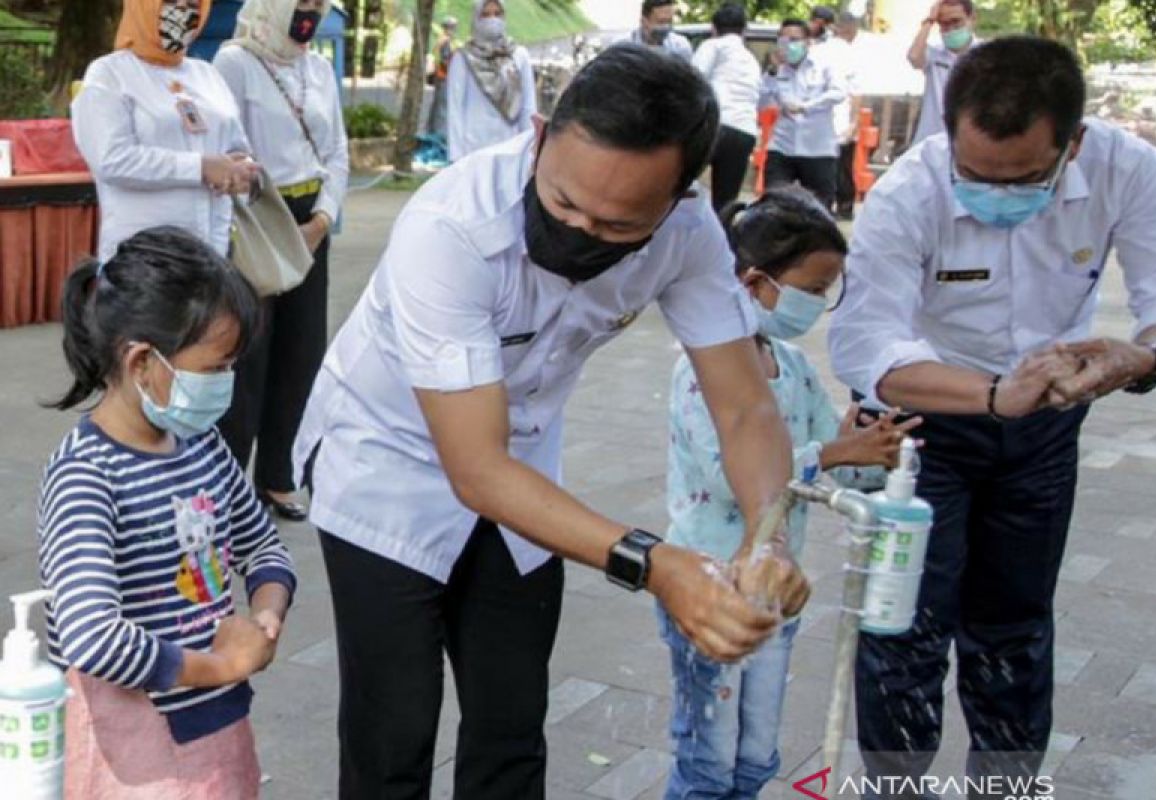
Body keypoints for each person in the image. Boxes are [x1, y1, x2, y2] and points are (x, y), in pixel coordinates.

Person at [292, 44, 808, 799]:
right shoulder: (451, 226)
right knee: (392, 731)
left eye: (617, 224)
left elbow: (743, 403)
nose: (580, 232)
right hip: (386, 464)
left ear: (677, 199)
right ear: (538, 135)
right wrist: (657, 565)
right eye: (563, 203)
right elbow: (475, 467)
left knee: (511, 722)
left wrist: (770, 533)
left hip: (523, 467)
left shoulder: (689, 235)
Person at [828, 37, 1156, 791]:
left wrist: (1145, 357)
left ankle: (1007, 783)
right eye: (974, 175)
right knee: (904, 624)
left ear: (1074, 143)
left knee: (1016, 622)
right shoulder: (910, 193)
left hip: (1046, 429)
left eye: (1025, 177)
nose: (994, 196)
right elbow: (867, 343)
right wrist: (993, 396)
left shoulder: (1125, 168)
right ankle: (895, 784)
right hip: (920, 428)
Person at [660, 188, 920, 799]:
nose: (819, 305)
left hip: (774, 589)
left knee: (754, 755)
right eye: (813, 288)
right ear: (754, 284)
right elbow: (729, 478)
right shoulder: (698, 371)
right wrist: (834, 452)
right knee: (708, 759)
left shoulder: (794, 368)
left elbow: (834, 474)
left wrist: (876, 452)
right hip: (712, 587)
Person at [38, 226, 297, 798]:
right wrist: (222, 666)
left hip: (214, 722)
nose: (227, 384)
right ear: (140, 361)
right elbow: (93, 637)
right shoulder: (86, 475)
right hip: (130, 751)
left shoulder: (201, 445)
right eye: (213, 367)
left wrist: (265, 616)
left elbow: (263, 546)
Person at [213, 0, 350, 523]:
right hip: (258, 216)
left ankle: (276, 477)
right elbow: (228, 148)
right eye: (302, 3)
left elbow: (336, 151)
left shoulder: (317, 68)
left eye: (318, 4)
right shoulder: (235, 63)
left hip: (310, 221)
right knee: (249, 356)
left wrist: (322, 219)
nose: (310, 13)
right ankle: (228, 487)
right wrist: (264, 212)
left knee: (302, 353)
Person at [72, 0, 258, 262]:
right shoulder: (109, 74)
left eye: (193, 4)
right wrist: (200, 167)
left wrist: (240, 169)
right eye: (171, 2)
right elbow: (111, 160)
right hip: (145, 259)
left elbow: (236, 146)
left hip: (213, 249)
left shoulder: (207, 75)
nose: (182, 11)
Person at [760, 19, 846, 210]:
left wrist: (806, 106)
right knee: (774, 206)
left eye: (794, 39)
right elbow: (761, 102)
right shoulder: (776, 70)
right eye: (783, 40)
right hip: (782, 147)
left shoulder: (823, 65)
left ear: (808, 42)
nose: (788, 45)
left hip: (817, 149)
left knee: (818, 210)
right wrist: (771, 72)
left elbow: (839, 92)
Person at [446, 0, 536, 162]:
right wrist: (456, 156)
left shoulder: (518, 55)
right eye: (485, 15)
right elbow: (455, 109)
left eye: (497, 14)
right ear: (476, 18)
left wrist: (530, 147)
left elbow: (528, 106)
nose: (492, 20)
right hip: (474, 150)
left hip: (511, 146)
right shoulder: (463, 58)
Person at [692, 2, 761, 213]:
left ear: (714, 28)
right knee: (726, 202)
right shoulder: (751, 60)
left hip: (715, 126)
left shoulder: (712, 46)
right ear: (744, 30)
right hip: (744, 132)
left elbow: (694, 80)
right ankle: (722, 241)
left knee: (683, 187)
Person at [908, 0, 979, 145]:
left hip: (970, 144)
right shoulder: (934, 55)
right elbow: (914, 57)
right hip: (930, 141)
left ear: (972, 18)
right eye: (944, 24)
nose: (951, 29)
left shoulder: (986, 55)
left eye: (956, 22)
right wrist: (929, 21)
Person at [823, 11, 864, 220]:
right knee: (844, 167)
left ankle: (825, 205)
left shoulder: (818, 50)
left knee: (825, 167)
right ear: (850, 29)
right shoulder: (851, 54)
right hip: (842, 119)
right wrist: (854, 122)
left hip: (821, 120)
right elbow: (856, 92)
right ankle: (845, 207)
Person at [623, 0, 692, 62]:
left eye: (669, 21)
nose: (666, 26)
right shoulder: (623, 47)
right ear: (644, 21)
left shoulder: (680, 46)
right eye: (661, 22)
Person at [429, 15, 459, 137]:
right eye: (453, 28)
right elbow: (445, 60)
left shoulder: (441, 39)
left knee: (437, 103)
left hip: (439, 74)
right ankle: (439, 133)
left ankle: (432, 129)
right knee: (442, 104)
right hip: (443, 75)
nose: (454, 31)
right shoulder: (445, 41)